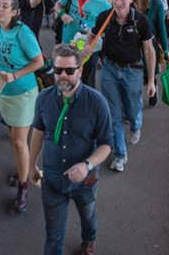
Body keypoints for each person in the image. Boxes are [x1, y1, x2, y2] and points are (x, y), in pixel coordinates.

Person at [29, 44, 112, 255]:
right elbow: (38, 132)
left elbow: (106, 145)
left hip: (86, 180)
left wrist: (86, 165)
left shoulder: (96, 102)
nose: (63, 76)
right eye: (58, 71)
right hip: (53, 179)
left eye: (69, 70)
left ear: (80, 70)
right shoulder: (43, 99)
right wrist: (31, 165)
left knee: (88, 214)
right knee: (53, 237)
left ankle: (89, 239)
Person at [85, 0, 156, 172]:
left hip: (133, 71)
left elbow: (149, 51)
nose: (118, 2)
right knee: (113, 114)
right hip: (109, 70)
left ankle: (136, 123)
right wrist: (85, 49)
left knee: (133, 108)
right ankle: (120, 155)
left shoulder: (141, 21)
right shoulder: (104, 18)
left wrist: (151, 81)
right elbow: (91, 37)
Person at [0, 0, 45, 213]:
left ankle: (24, 186)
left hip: (22, 92)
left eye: (5, 6)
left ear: (14, 12)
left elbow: (39, 61)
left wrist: (15, 75)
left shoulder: (22, 32)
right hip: (3, 92)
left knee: (20, 141)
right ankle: (22, 169)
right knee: (13, 137)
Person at [52, 0, 112, 87]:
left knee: (87, 81)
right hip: (67, 44)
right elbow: (58, 5)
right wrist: (63, 15)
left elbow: (107, 31)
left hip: (87, 49)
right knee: (65, 78)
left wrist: (94, 34)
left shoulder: (105, 5)